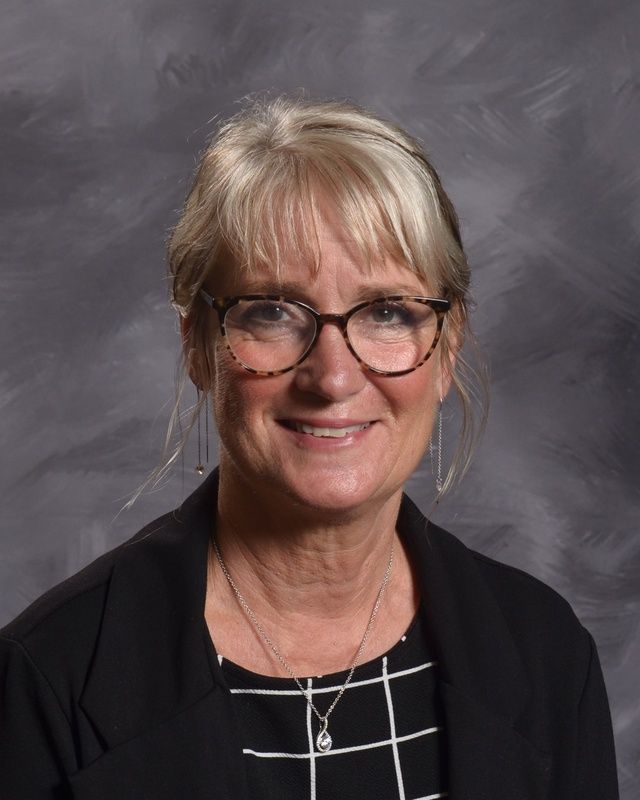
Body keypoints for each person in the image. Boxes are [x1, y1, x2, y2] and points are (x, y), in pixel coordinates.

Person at [0, 96, 618, 799]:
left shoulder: (545, 654)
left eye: (388, 311)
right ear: (200, 347)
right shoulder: (47, 677)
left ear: (445, 349)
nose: (332, 376)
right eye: (272, 312)